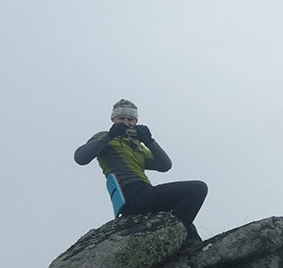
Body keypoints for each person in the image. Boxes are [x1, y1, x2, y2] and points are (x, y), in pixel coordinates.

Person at [74, 99, 208, 241]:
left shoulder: (137, 145)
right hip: (131, 194)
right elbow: (80, 158)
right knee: (197, 189)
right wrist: (110, 135)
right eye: (122, 118)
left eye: (131, 119)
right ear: (113, 119)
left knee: (190, 230)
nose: (126, 122)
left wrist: (149, 141)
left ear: (136, 121)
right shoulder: (104, 137)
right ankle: (171, 236)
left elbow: (165, 165)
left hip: (144, 193)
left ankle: (182, 243)